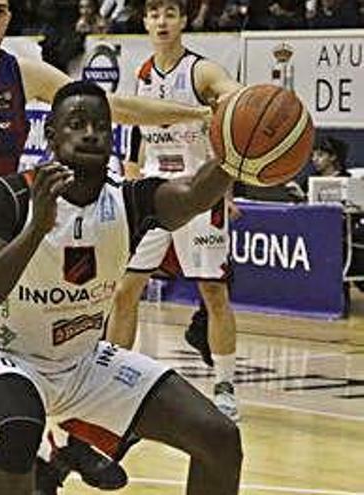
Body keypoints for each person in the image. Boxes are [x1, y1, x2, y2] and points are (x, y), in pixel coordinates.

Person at [0, 0, 211, 474]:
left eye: (0, 12)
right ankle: (27, 440)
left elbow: (113, 107)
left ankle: (63, 439)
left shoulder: (21, 73)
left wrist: (198, 113)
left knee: (49, 332)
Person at [0, 80, 243, 495]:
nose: (91, 132)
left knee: (218, 436)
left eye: (101, 125)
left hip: (83, 361)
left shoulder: (130, 200)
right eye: (77, 124)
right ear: (52, 136)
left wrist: (237, 155)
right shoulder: (10, 195)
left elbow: (194, 195)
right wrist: (36, 229)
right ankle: (53, 454)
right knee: (20, 428)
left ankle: (62, 455)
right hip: (3, 357)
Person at [106, 0, 244, 422]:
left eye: (169, 13)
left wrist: (227, 187)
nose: (161, 21)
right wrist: (129, 187)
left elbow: (235, 99)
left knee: (213, 293)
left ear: (183, 21)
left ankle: (224, 385)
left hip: (198, 191)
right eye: (153, 14)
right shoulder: (141, 74)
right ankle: (113, 379)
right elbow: (136, 143)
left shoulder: (200, 70)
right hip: (152, 192)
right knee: (124, 291)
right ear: (145, 22)